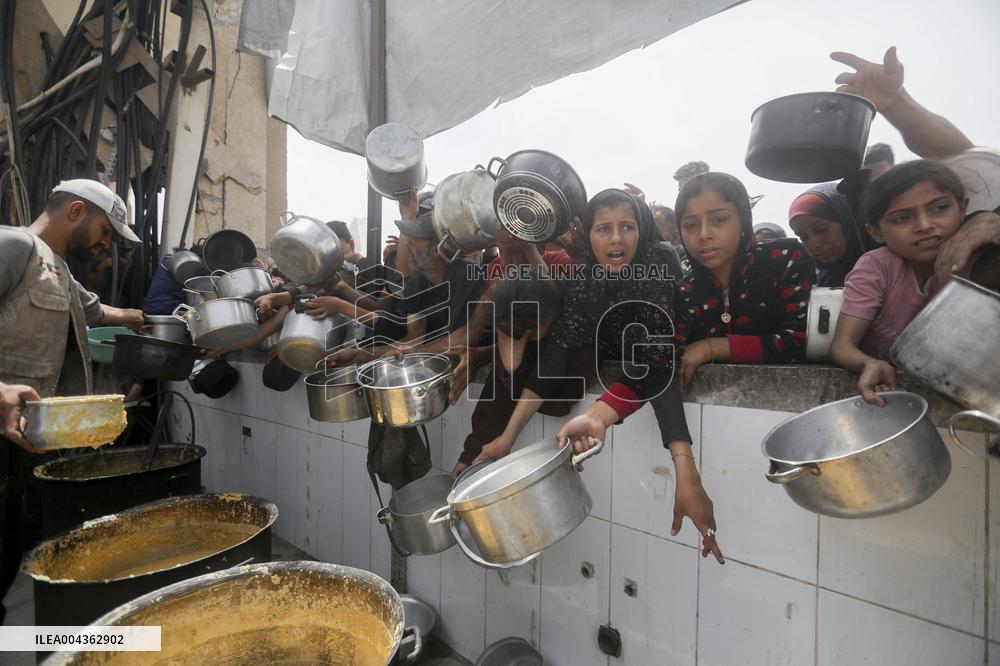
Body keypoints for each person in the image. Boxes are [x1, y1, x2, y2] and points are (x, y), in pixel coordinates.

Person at [477, 189, 724, 562]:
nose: (615, 239)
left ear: (641, 230)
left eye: (626, 226)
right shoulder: (584, 281)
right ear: (588, 235)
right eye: (603, 228)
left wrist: (685, 469)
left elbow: (655, 366)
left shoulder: (655, 268)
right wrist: (507, 438)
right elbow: (556, 356)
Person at [0, 179, 144, 622]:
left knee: (6, 555)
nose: (105, 246)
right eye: (105, 232)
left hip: (18, 441)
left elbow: (99, 312)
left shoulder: (58, 270)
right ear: (76, 211)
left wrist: (164, 320)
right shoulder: (13, 247)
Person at [830, 160, 969, 405]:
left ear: (963, 208)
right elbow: (842, 345)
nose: (925, 225)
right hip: (888, 395)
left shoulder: (979, 262)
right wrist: (868, 363)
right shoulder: (877, 266)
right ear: (875, 232)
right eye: (902, 218)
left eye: (939, 208)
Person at [671, 173, 814, 388]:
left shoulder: (784, 259)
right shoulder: (685, 290)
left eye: (719, 220)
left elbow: (801, 343)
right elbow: (667, 352)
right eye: (691, 225)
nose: (704, 234)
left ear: (745, 221)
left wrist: (712, 347)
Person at [788, 182, 876, 287]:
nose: (814, 244)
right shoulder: (808, 282)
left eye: (821, 229)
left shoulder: (887, 272)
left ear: (848, 220)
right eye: (803, 237)